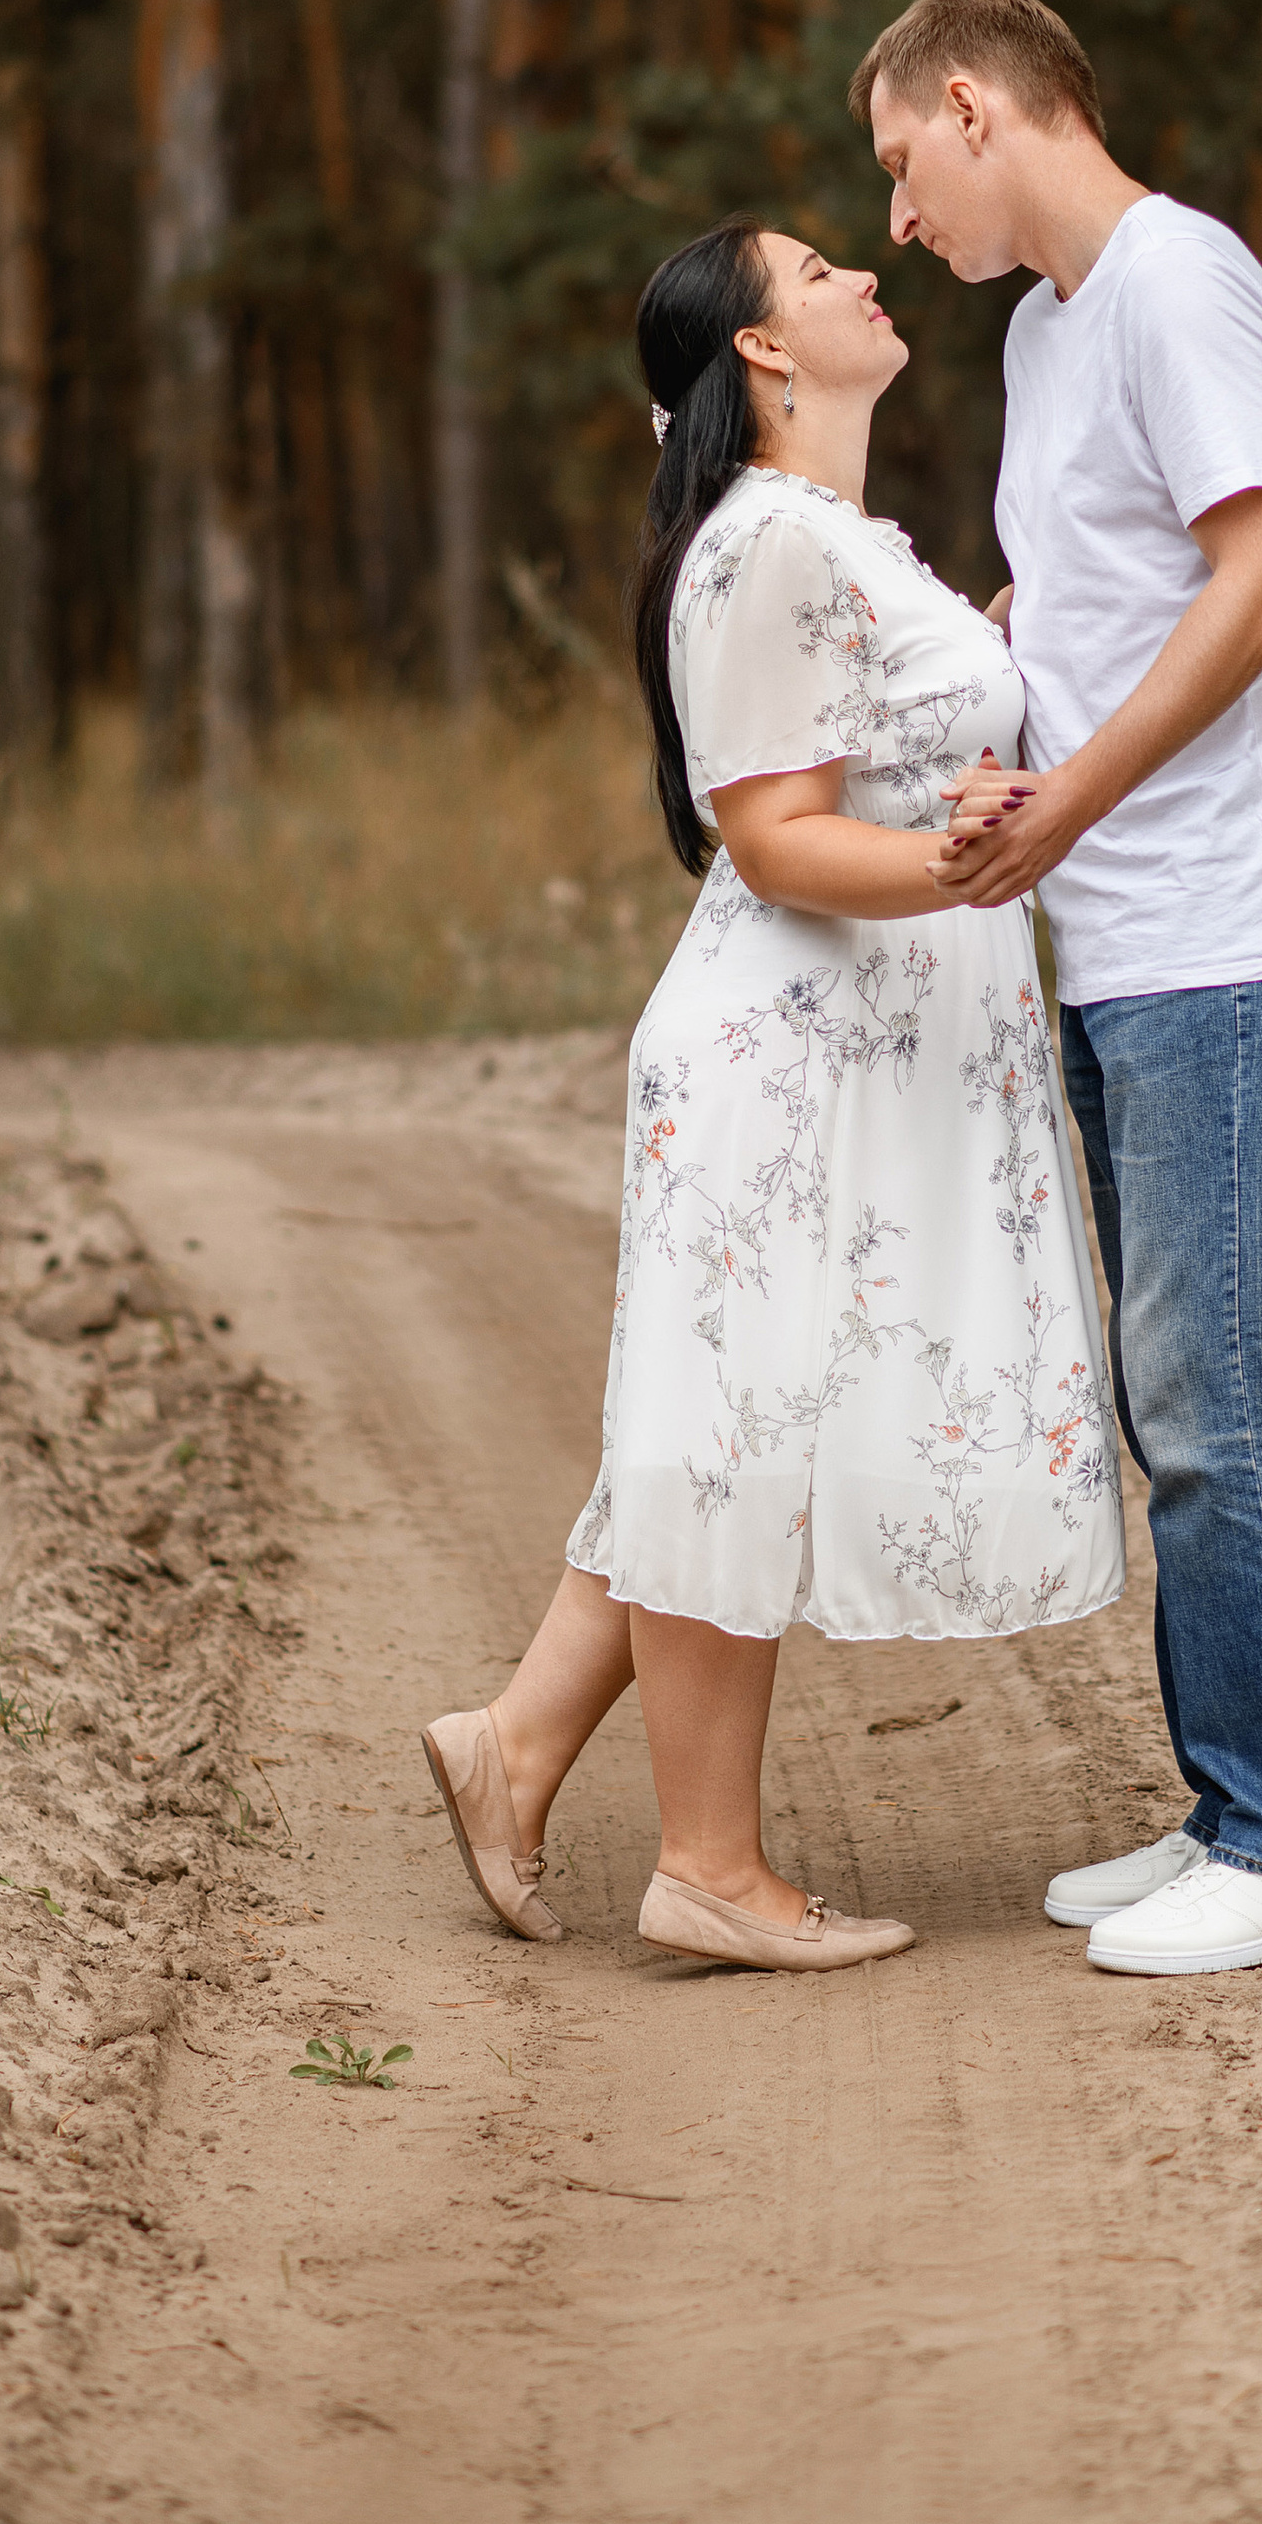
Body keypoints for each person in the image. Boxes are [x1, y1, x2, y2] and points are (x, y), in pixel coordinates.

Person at [421, 216, 1124, 1974]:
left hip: (847, 1055)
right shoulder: (759, 545)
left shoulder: (834, 542)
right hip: (785, 1056)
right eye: (819, 271)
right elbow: (775, 837)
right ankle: (708, 1870)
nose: (862, 276)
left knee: (737, 1408)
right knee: (733, 1428)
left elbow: (898, 723)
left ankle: (512, 1746)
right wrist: (975, 865)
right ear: (760, 351)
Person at [853, 0, 1262, 1978]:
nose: (897, 219)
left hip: (1232, 932)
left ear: (978, 108)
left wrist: (1062, 802)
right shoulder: (1046, 329)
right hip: (1136, 935)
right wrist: (1005, 708)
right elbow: (1098, 587)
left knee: (1218, 1397)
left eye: (902, 166)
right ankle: (1231, 1811)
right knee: (1174, 1389)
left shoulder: (1177, 283)